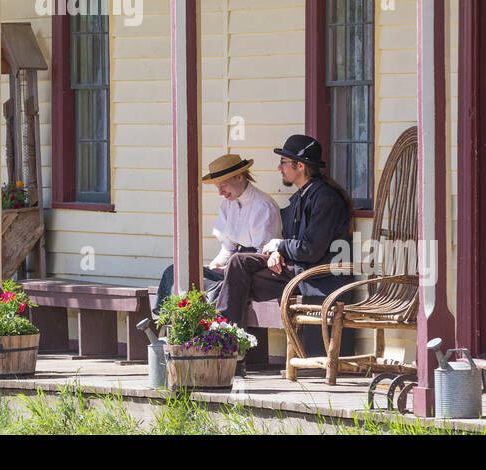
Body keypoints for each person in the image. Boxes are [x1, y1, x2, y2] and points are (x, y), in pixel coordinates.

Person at [211, 135, 354, 332]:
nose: (279, 168)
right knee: (236, 265)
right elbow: (290, 239)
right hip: (295, 268)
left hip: (313, 277)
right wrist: (278, 252)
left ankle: (226, 340)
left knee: (234, 281)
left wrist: (279, 246)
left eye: (283, 162)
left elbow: (311, 249)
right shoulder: (299, 198)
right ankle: (228, 339)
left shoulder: (325, 199)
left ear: (300, 166)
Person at [151, 153, 281, 316]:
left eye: (223, 186)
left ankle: (201, 326)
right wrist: (216, 265)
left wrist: (228, 269)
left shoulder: (263, 206)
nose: (220, 192)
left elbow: (262, 254)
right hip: (232, 267)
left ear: (239, 177)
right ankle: (169, 321)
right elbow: (228, 247)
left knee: (213, 289)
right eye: (217, 187)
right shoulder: (228, 205)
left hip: (252, 271)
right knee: (177, 272)